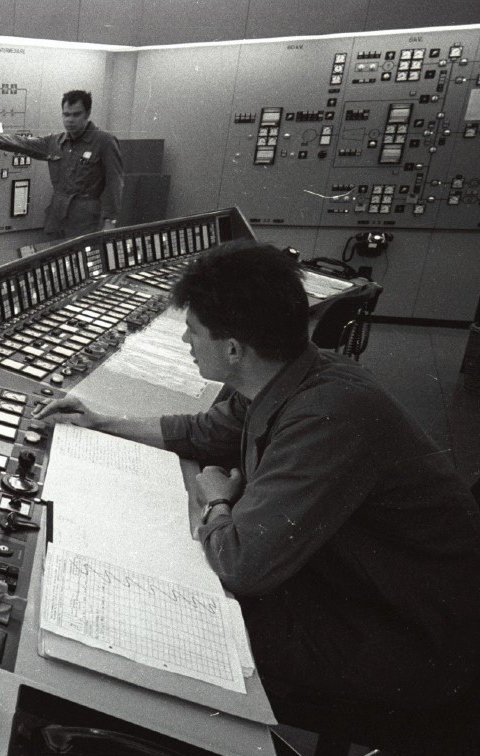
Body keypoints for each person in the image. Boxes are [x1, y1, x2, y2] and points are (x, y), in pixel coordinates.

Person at [38, 240, 480, 728]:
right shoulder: (290, 372)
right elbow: (204, 432)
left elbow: (240, 564)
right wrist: (101, 422)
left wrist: (215, 503)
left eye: (192, 330)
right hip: (361, 581)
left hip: (415, 637)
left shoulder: (329, 414)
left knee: (188, 625)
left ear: (232, 349)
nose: (185, 341)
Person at [0, 90, 123, 239]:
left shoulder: (104, 141)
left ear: (87, 114)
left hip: (87, 220)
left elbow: (114, 183)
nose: (70, 120)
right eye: (66, 115)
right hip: (58, 217)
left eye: (76, 114)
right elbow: (21, 143)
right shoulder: (56, 142)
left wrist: (110, 221)